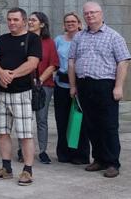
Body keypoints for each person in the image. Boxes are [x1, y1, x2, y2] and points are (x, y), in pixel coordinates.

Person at [69, 1, 130, 179]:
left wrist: (118, 86)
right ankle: (98, 159)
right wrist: (73, 86)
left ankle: (112, 162)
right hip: (84, 84)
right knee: (91, 125)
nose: (90, 16)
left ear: (101, 14)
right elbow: (72, 61)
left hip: (105, 85)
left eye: (93, 12)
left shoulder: (114, 37)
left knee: (108, 125)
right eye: (87, 13)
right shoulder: (79, 37)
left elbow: (123, 62)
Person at [0, 8, 41, 186]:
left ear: (24, 21)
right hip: (2, 94)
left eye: (16, 20)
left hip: (22, 93)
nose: (11, 23)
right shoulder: (3, 39)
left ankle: (27, 170)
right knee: (2, 132)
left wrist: (10, 76)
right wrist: (1, 73)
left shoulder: (33, 39)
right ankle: (6, 168)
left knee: (25, 134)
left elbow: (32, 63)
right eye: (9, 19)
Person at [54, 12, 90, 164]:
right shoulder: (58, 40)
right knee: (62, 119)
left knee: (78, 120)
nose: (70, 24)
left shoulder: (84, 38)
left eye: (73, 21)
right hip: (61, 83)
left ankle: (79, 155)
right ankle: (64, 153)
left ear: (79, 23)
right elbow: (53, 60)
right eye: (67, 21)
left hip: (79, 84)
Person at [23, 11, 58, 165]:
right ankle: (22, 149)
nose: (30, 22)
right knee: (24, 119)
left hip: (44, 85)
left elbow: (53, 64)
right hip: (24, 84)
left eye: (33, 20)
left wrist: (40, 79)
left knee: (41, 119)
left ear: (42, 24)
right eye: (29, 20)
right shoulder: (23, 39)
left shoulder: (49, 42)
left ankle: (42, 151)